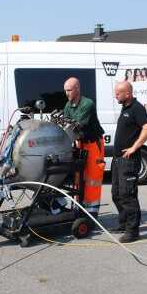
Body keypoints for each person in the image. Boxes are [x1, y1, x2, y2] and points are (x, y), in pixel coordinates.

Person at [111, 81, 147, 243]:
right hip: (118, 160)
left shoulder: (137, 108)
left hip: (129, 160)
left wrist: (134, 147)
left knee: (128, 195)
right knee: (116, 194)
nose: (116, 96)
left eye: (118, 93)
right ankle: (123, 223)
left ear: (128, 93)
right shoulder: (125, 107)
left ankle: (132, 231)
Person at [63, 77, 106, 217]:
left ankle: (91, 212)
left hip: (93, 143)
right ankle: (78, 206)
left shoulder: (87, 104)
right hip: (80, 143)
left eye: (69, 90)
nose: (66, 93)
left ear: (77, 89)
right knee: (78, 177)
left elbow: (76, 126)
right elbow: (65, 124)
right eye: (65, 90)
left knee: (92, 178)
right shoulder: (68, 106)